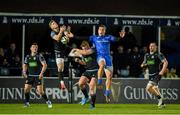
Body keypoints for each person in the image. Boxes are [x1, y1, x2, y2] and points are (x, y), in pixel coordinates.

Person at [89, 24, 117, 103]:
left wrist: (121, 37)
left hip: (108, 58)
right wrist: (73, 36)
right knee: (102, 64)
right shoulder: (94, 38)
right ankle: (99, 81)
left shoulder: (108, 37)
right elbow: (82, 38)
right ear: (98, 31)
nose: (101, 31)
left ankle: (107, 93)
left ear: (105, 31)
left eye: (103, 30)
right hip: (100, 56)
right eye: (100, 29)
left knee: (109, 77)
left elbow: (116, 39)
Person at [22, 43, 52, 108]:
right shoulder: (27, 57)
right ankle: (27, 103)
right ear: (31, 48)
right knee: (26, 89)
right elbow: (25, 65)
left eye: (36, 47)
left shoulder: (39, 56)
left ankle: (48, 101)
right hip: (30, 76)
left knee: (40, 91)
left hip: (38, 76)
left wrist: (41, 73)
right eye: (33, 47)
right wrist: (24, 72)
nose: (35, 48)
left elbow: (45, 65)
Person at [141, 42, 168, 108]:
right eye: (150, 46)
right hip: (150, 75)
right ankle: (162, 103)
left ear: (156, 47)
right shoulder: (146, 55)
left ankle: (160, 99)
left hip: (157, 74)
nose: (151, 47)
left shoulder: (158, 54)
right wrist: (143, 65)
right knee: (155, 88)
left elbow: (165, 62)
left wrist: (162, 71)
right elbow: (144, 63)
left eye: (153, 46)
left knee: (149, 88)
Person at [71, 41, 98, 109]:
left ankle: (92, 105)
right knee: (80, 84)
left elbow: (85, 52)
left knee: (91, 87)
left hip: (95, 71)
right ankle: (86, 97)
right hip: (88, 71)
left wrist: (76, 49)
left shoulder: (93, 49)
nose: (84, 50)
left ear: (88, 46)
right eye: (83, 48)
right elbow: (85, 63)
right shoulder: (83, 53)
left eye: (85, 48)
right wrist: (79, 61)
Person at [49, 20, 74, 89]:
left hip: (66, 50)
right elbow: (57, 38)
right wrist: (61, 31)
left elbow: (71, 36)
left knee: (76, 55)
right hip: (58, 51)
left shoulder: (62, 28)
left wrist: (68, 33)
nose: (55, 23)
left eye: (55, 22)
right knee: (60, 68)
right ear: (51, 27)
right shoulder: (52, 33)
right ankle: (62, 83)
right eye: (53, 23)